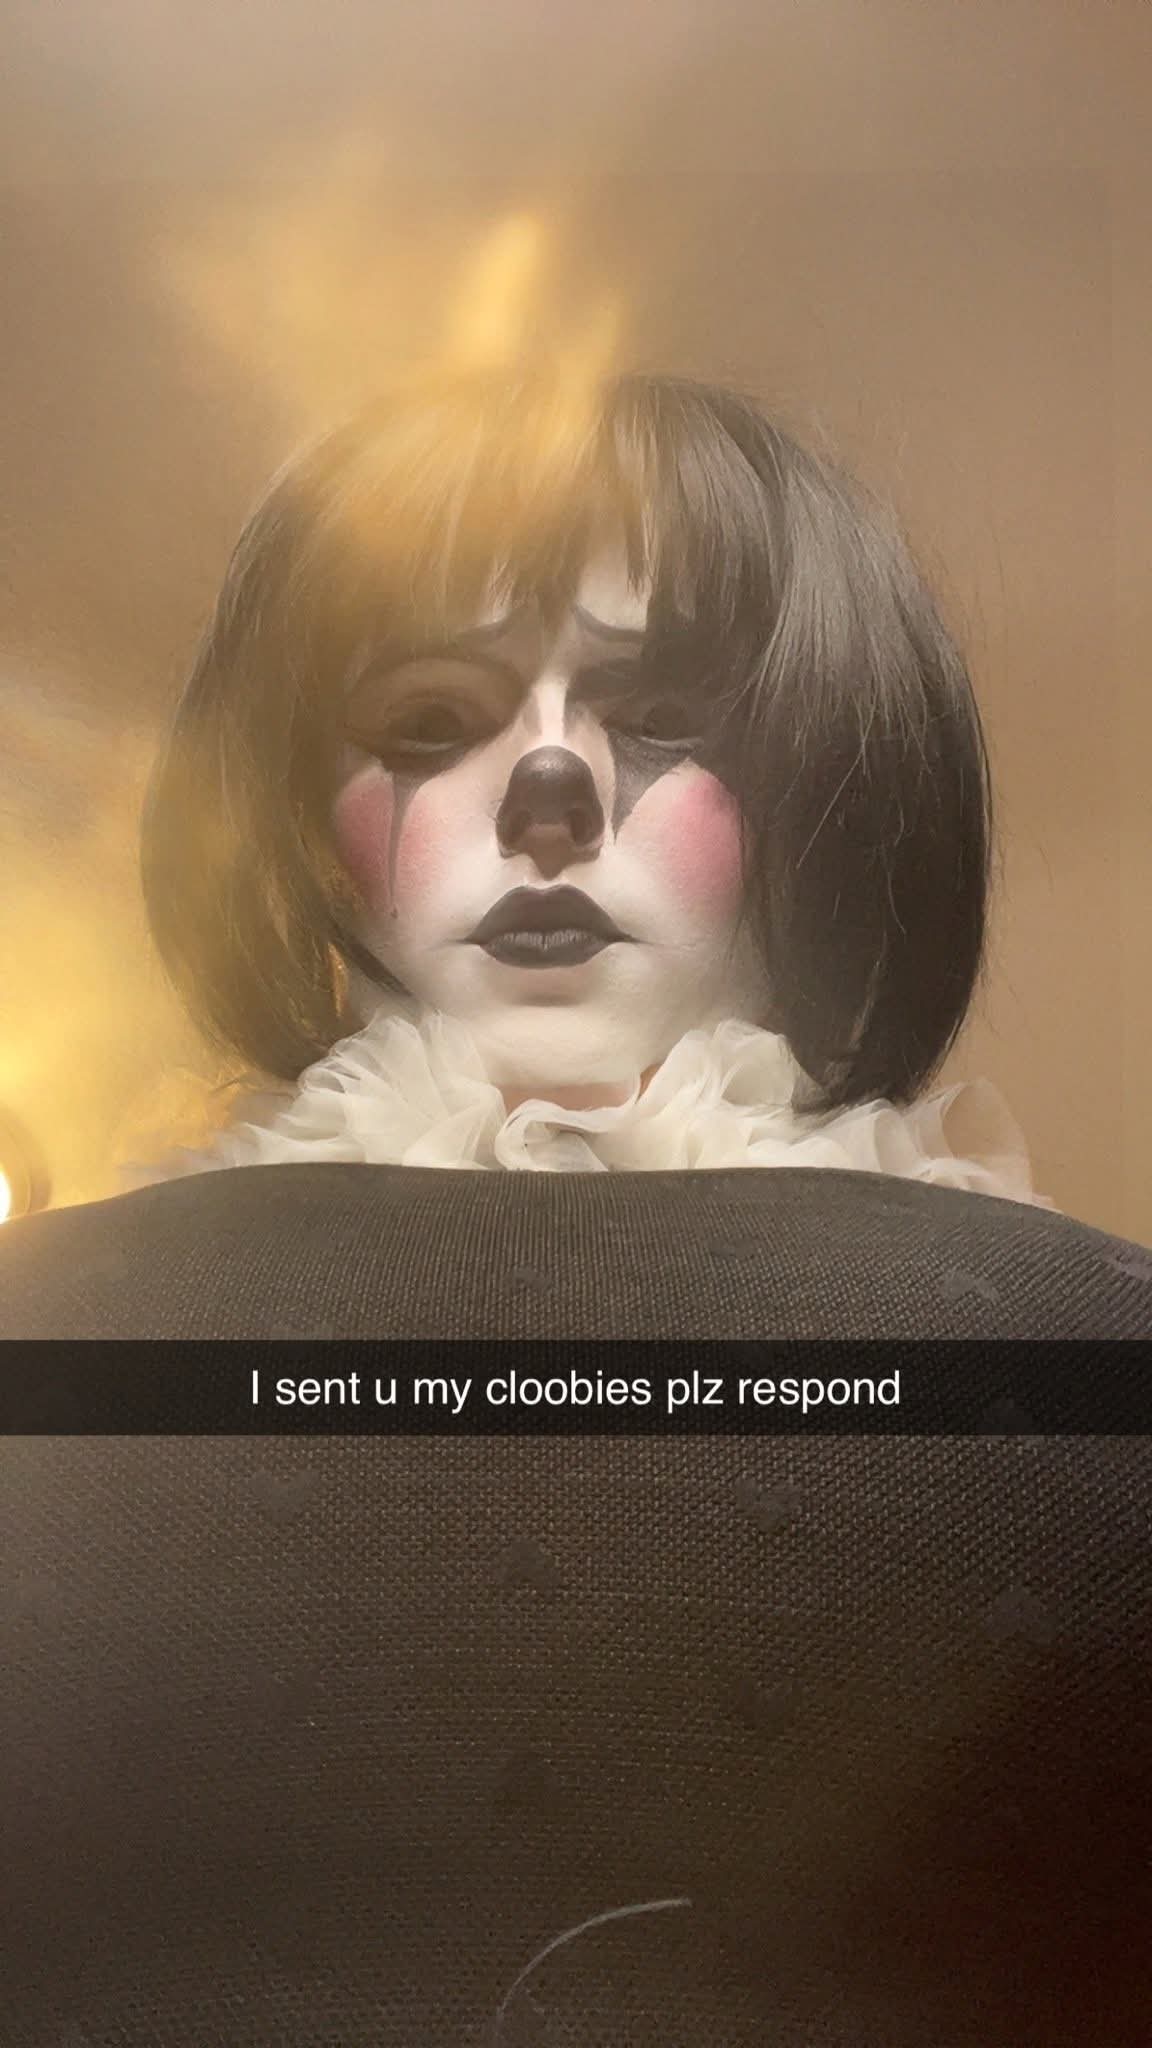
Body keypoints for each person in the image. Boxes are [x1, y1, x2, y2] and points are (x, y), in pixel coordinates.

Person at [131, 362, 1048, 1198]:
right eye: (432, 722)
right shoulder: (123, 1302)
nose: (548, 792)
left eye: (663, 719)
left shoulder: (1048, 1312)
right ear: (291, 810)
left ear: (838, 787)